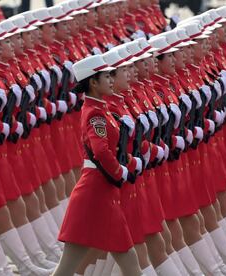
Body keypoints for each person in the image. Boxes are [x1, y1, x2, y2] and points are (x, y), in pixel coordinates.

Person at [54, 54, 143, 276]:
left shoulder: (100, 110)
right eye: (106, 76)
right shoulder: (95, 113)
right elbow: (101, 150)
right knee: (68, 266)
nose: (112, 80)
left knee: (127, 259)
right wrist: (119, 171)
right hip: (94, 193)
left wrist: (129, 162)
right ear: (93, 82)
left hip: (102, 192)